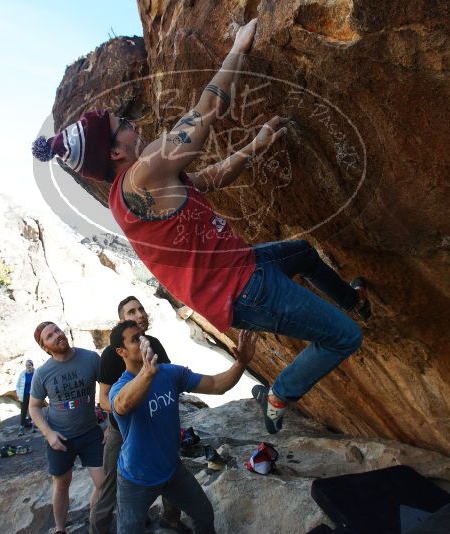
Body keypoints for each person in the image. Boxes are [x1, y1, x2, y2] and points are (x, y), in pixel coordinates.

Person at [31, 18, 370, 435]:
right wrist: (238, 49)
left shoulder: (132, 193)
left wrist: (255, 145)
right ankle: (283, 392)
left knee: (300, 252)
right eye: (123, 125)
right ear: (115, 150)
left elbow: (209, 179)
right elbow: (204, 112)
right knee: (344, 337)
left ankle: (352, 300)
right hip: (248, 288)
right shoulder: (142, 175)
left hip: (241, 274)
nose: (132, 125)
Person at [108, 320, 258, 534]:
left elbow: (216, 385)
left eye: (143, 335)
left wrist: (241, 363)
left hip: (172, 470)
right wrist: (146, 374)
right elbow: (122, 404)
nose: (144, 341)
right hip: (136, 478)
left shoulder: (170, 373)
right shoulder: (120, 387)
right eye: (135, 339)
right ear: (121, 351)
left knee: (204, 514)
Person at [92, 296, 183, 534]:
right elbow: (103, 399)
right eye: (132, 312)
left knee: (171, 468)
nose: (140, 314)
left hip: (154, 423)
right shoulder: (112, 354)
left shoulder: (154, 344)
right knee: (110, 483)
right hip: (121, 430)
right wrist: (126, 407)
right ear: (122, 321)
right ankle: (98, 529)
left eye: (141, 309)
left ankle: (170, 520)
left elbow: (168, 379)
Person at [28, 321, 105, 534]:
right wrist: (49, 434)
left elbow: (109, 389)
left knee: (104, 484)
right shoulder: (42, 373)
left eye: (57, 331)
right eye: (50, 336)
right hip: (60, 438)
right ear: (45, 347)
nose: (57, 336)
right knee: (62, 484)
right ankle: (61, 529)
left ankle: (94, 525)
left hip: (90, 432)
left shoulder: (90, 359)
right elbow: (34, 407)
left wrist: (111, 424)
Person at [15, 359, 36, 435]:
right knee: (23, 412)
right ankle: (21, 428)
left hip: (33, 395)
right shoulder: (22, 374)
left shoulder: (36, 373)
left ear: (32, 366)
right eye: (27, 365)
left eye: (29, 365)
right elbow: (17, 386)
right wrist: (18, 394)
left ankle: (33, 426)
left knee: (32, 410)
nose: (28, 367)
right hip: (23, 395)